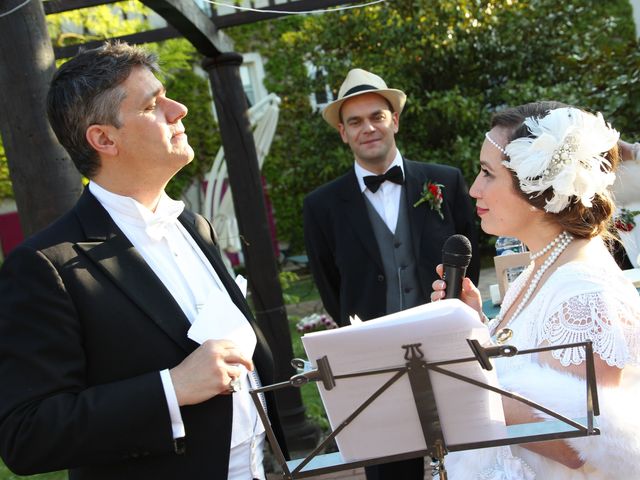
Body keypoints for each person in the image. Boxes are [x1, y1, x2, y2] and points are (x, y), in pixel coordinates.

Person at [0, 42, 285, 480]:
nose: (179, 109)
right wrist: (171, 389)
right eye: (154, 104)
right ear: (103, 138)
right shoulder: (45, 265)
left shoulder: (195, 226)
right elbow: (27, 434)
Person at [431, 101, 640, 479]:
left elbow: (574, 441)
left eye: (487, 174)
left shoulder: (584, 294)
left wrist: (455, 377)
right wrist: (471, 327)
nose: (474, 189)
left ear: (538, 187)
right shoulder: (541, 267)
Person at [303, 68, 479, 480]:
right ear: (343, 133)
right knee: (389, 471)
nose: (368, 128)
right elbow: (331, 285)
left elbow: (470, 248)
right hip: (373, 361)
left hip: (447, 346)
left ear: (394, 120)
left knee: (470, 459)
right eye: (355, 121)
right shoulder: (321, 206)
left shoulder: (446, 181)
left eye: (377, 116)